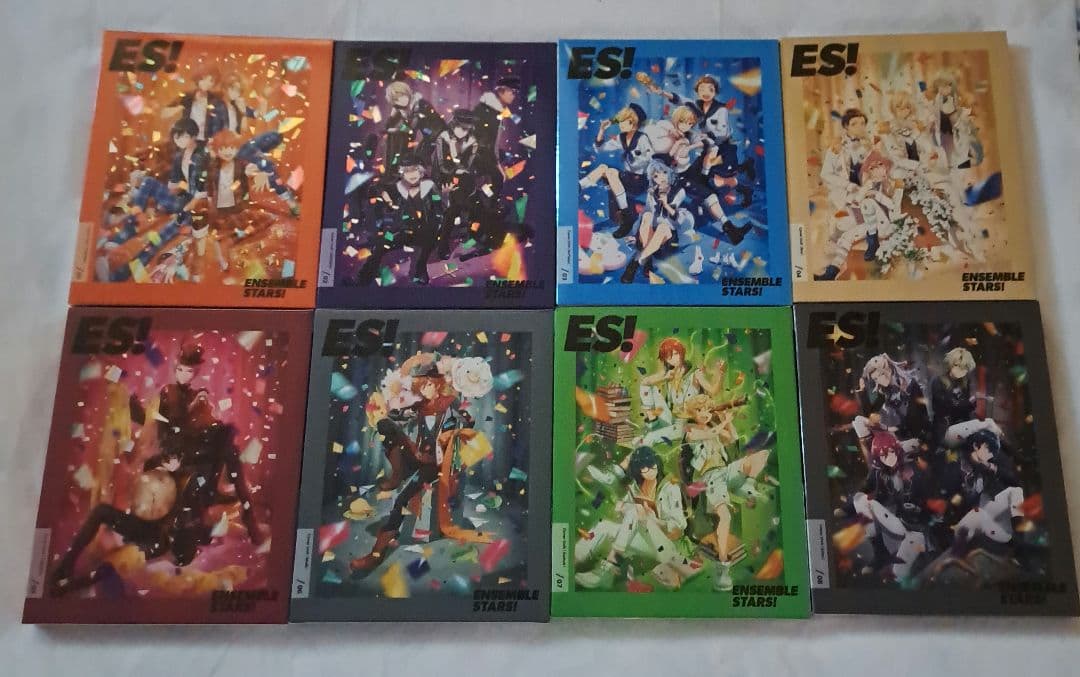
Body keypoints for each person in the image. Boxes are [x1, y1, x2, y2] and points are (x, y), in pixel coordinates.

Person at [350, 361, 477, 573]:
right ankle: (397, 475)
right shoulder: (419, 407)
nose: (424, 388)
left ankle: (375, 555)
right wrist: (398, 412)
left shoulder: (450, 404)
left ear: (437, 384)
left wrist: (459, 430)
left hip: (435, 464)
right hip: (417, 457)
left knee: (401, 500)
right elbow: (394, 416)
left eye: (428, 384)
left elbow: (469, 425)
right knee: (385, 424)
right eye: (421, 385)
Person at [574, 446, 702, 590]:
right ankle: (572, 561)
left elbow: (678, 527)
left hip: (666, 545)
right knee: (604, 526)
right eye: (644, 468)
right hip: (645, 542)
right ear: (637, 470)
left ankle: (608, 568)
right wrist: (623, 508)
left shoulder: (670, 488)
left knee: (635, 511)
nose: (650, 469)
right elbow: (627, 520)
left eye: (652, 464)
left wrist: (652, 519)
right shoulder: (635, 487)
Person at [579, 103, 654, 238]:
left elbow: (651, 158)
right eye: (620, 120)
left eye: (624, 121)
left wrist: (635, 158)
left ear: (633, 123)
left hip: (639, 181)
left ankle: (626, 216)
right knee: (604, 168)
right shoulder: (621, 138)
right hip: (627, 177)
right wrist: (602, 129)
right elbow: (600, 148)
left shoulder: (642, 138)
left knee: (610, 173)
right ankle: (579, 186)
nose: (620, 124)